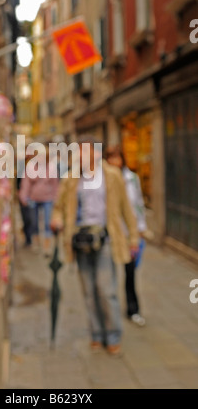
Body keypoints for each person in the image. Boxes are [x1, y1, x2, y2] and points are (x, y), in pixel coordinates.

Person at [50, 137, 139, 356]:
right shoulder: (71, 178)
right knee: (88, 291)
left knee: (106, 290)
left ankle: (113, 334)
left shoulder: (112, 175)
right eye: (79, 152)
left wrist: (133, 238)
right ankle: (96, 334)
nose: (81, 156)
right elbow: (58, 206)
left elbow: (126, 208)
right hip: (79, 240)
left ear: (96, 154)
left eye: (86, 152)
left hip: (105, 239)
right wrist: (57, 219)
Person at [105, 145, 148, 327]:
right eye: (111, 157)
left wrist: (139, 229)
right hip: (111, 234)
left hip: (129, 232)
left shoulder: (131, 178)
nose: (115, 161)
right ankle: (110, 313)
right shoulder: (101, 179)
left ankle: (133, 309)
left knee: (130, 273)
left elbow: (138, 204)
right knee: (109, 275)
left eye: (117, 157)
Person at [19, 146, 59, 254]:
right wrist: (24, 196)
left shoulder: (51, 167)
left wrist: (57, 198)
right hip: (33, 199)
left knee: (47, 222)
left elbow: (55, 184)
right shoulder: (30, 167)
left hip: (48, 198)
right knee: (34, 221)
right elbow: (25, 183)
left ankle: (46, 246)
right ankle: (36, 242)